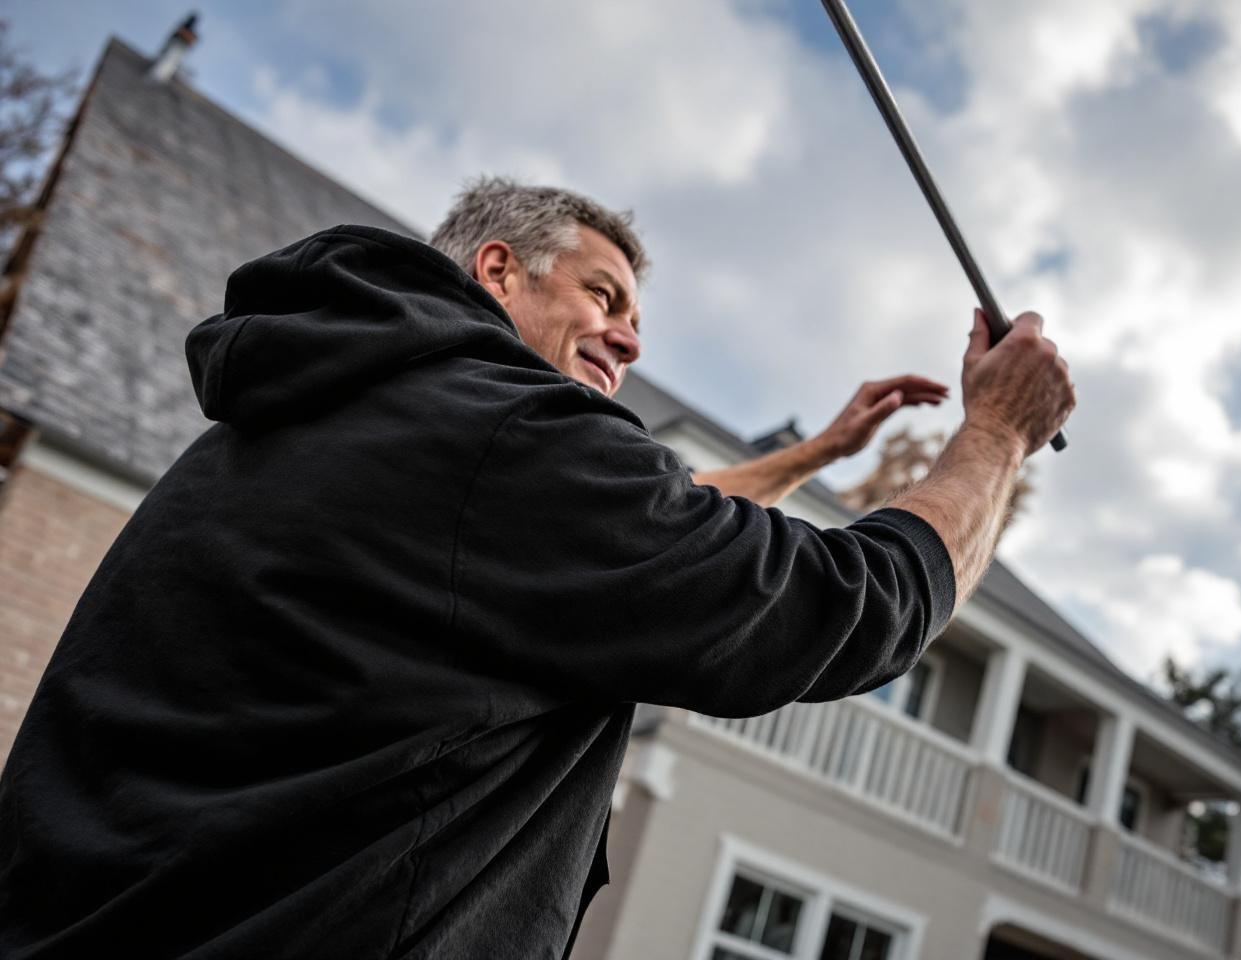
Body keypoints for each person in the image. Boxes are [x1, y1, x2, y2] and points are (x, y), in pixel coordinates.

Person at [0, 178, 1073, 959]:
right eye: (604, 297)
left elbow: (630, 532)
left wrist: (817, 456)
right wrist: (997, 441)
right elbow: (839, 609)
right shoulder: (506, 438)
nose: (631, 340)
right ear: (498, 267)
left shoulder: (320, 411)